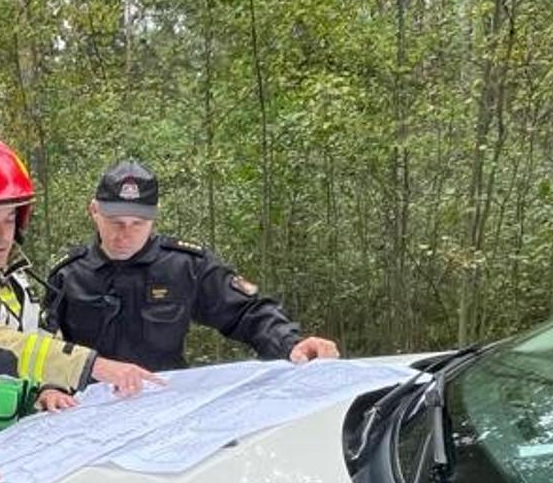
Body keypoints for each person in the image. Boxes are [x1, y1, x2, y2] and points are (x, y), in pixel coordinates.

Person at [0, 137, 158, 463]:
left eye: (9, 219)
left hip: (16, 452)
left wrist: (51, 388)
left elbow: (44, 338)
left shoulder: (14, 280)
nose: (3, 235)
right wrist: (94, 366)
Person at [46, 159, 341, 372]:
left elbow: (247, 312)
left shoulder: (184, 266)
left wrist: (291, 344)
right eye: (115, 222)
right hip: (88, 417)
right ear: (94, 211)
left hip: (165, 406)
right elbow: (44, 349)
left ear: (155, 217)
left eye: (138, 224)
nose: (125, 234)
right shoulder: (68, 276)